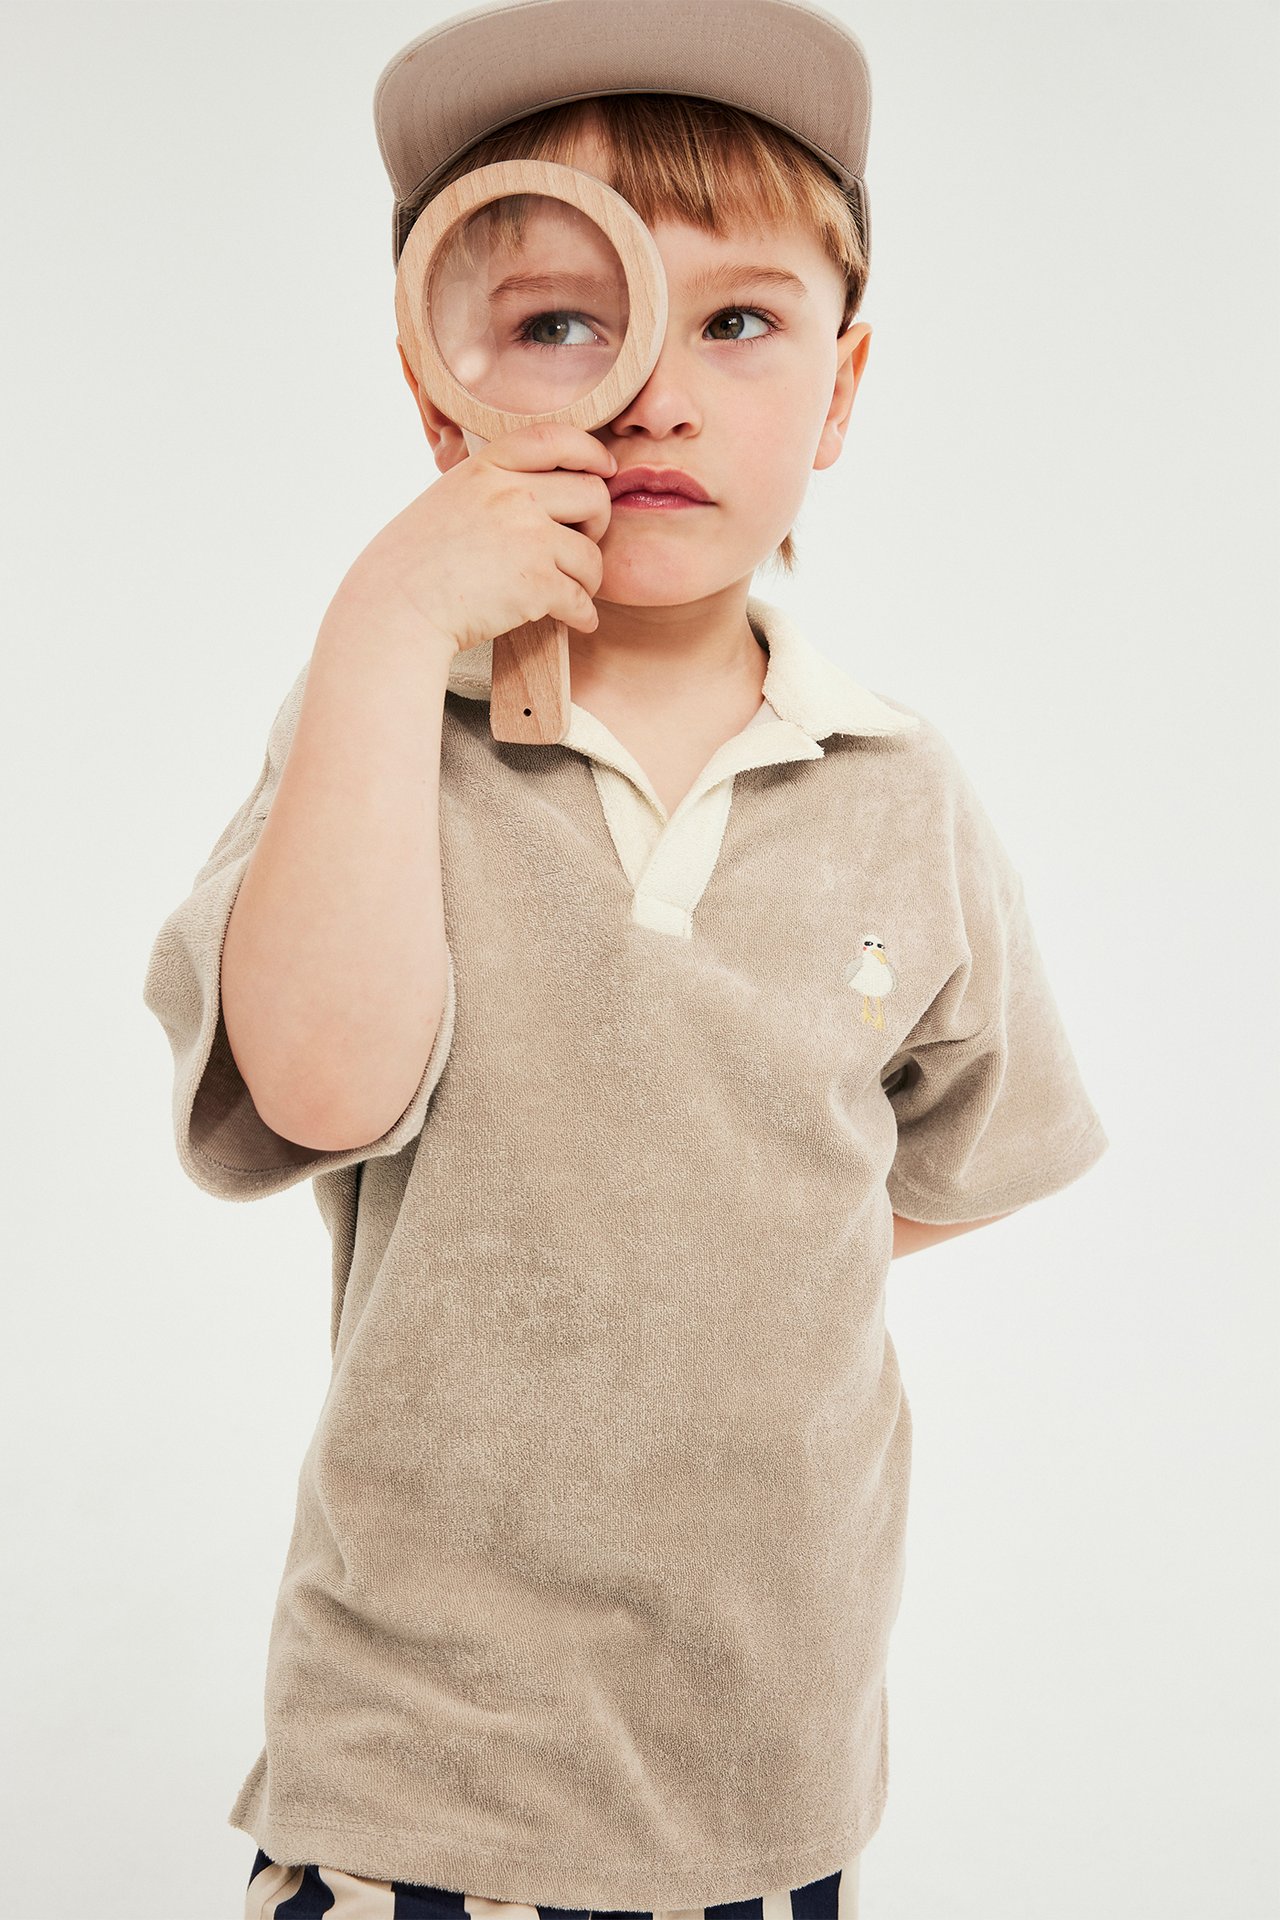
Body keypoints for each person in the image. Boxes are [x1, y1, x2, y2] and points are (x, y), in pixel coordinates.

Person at [142, 4, 1110, 1917]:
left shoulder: (897, 790)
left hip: (762, 1760)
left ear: (838, 393)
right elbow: (326, 1091)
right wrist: (378, 620)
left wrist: (693, 1234)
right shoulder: (372, 732)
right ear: (441, 393)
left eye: (735, 322)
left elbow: (948, 1163)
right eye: (567, 322)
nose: (654, 390)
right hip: (418, 1764)